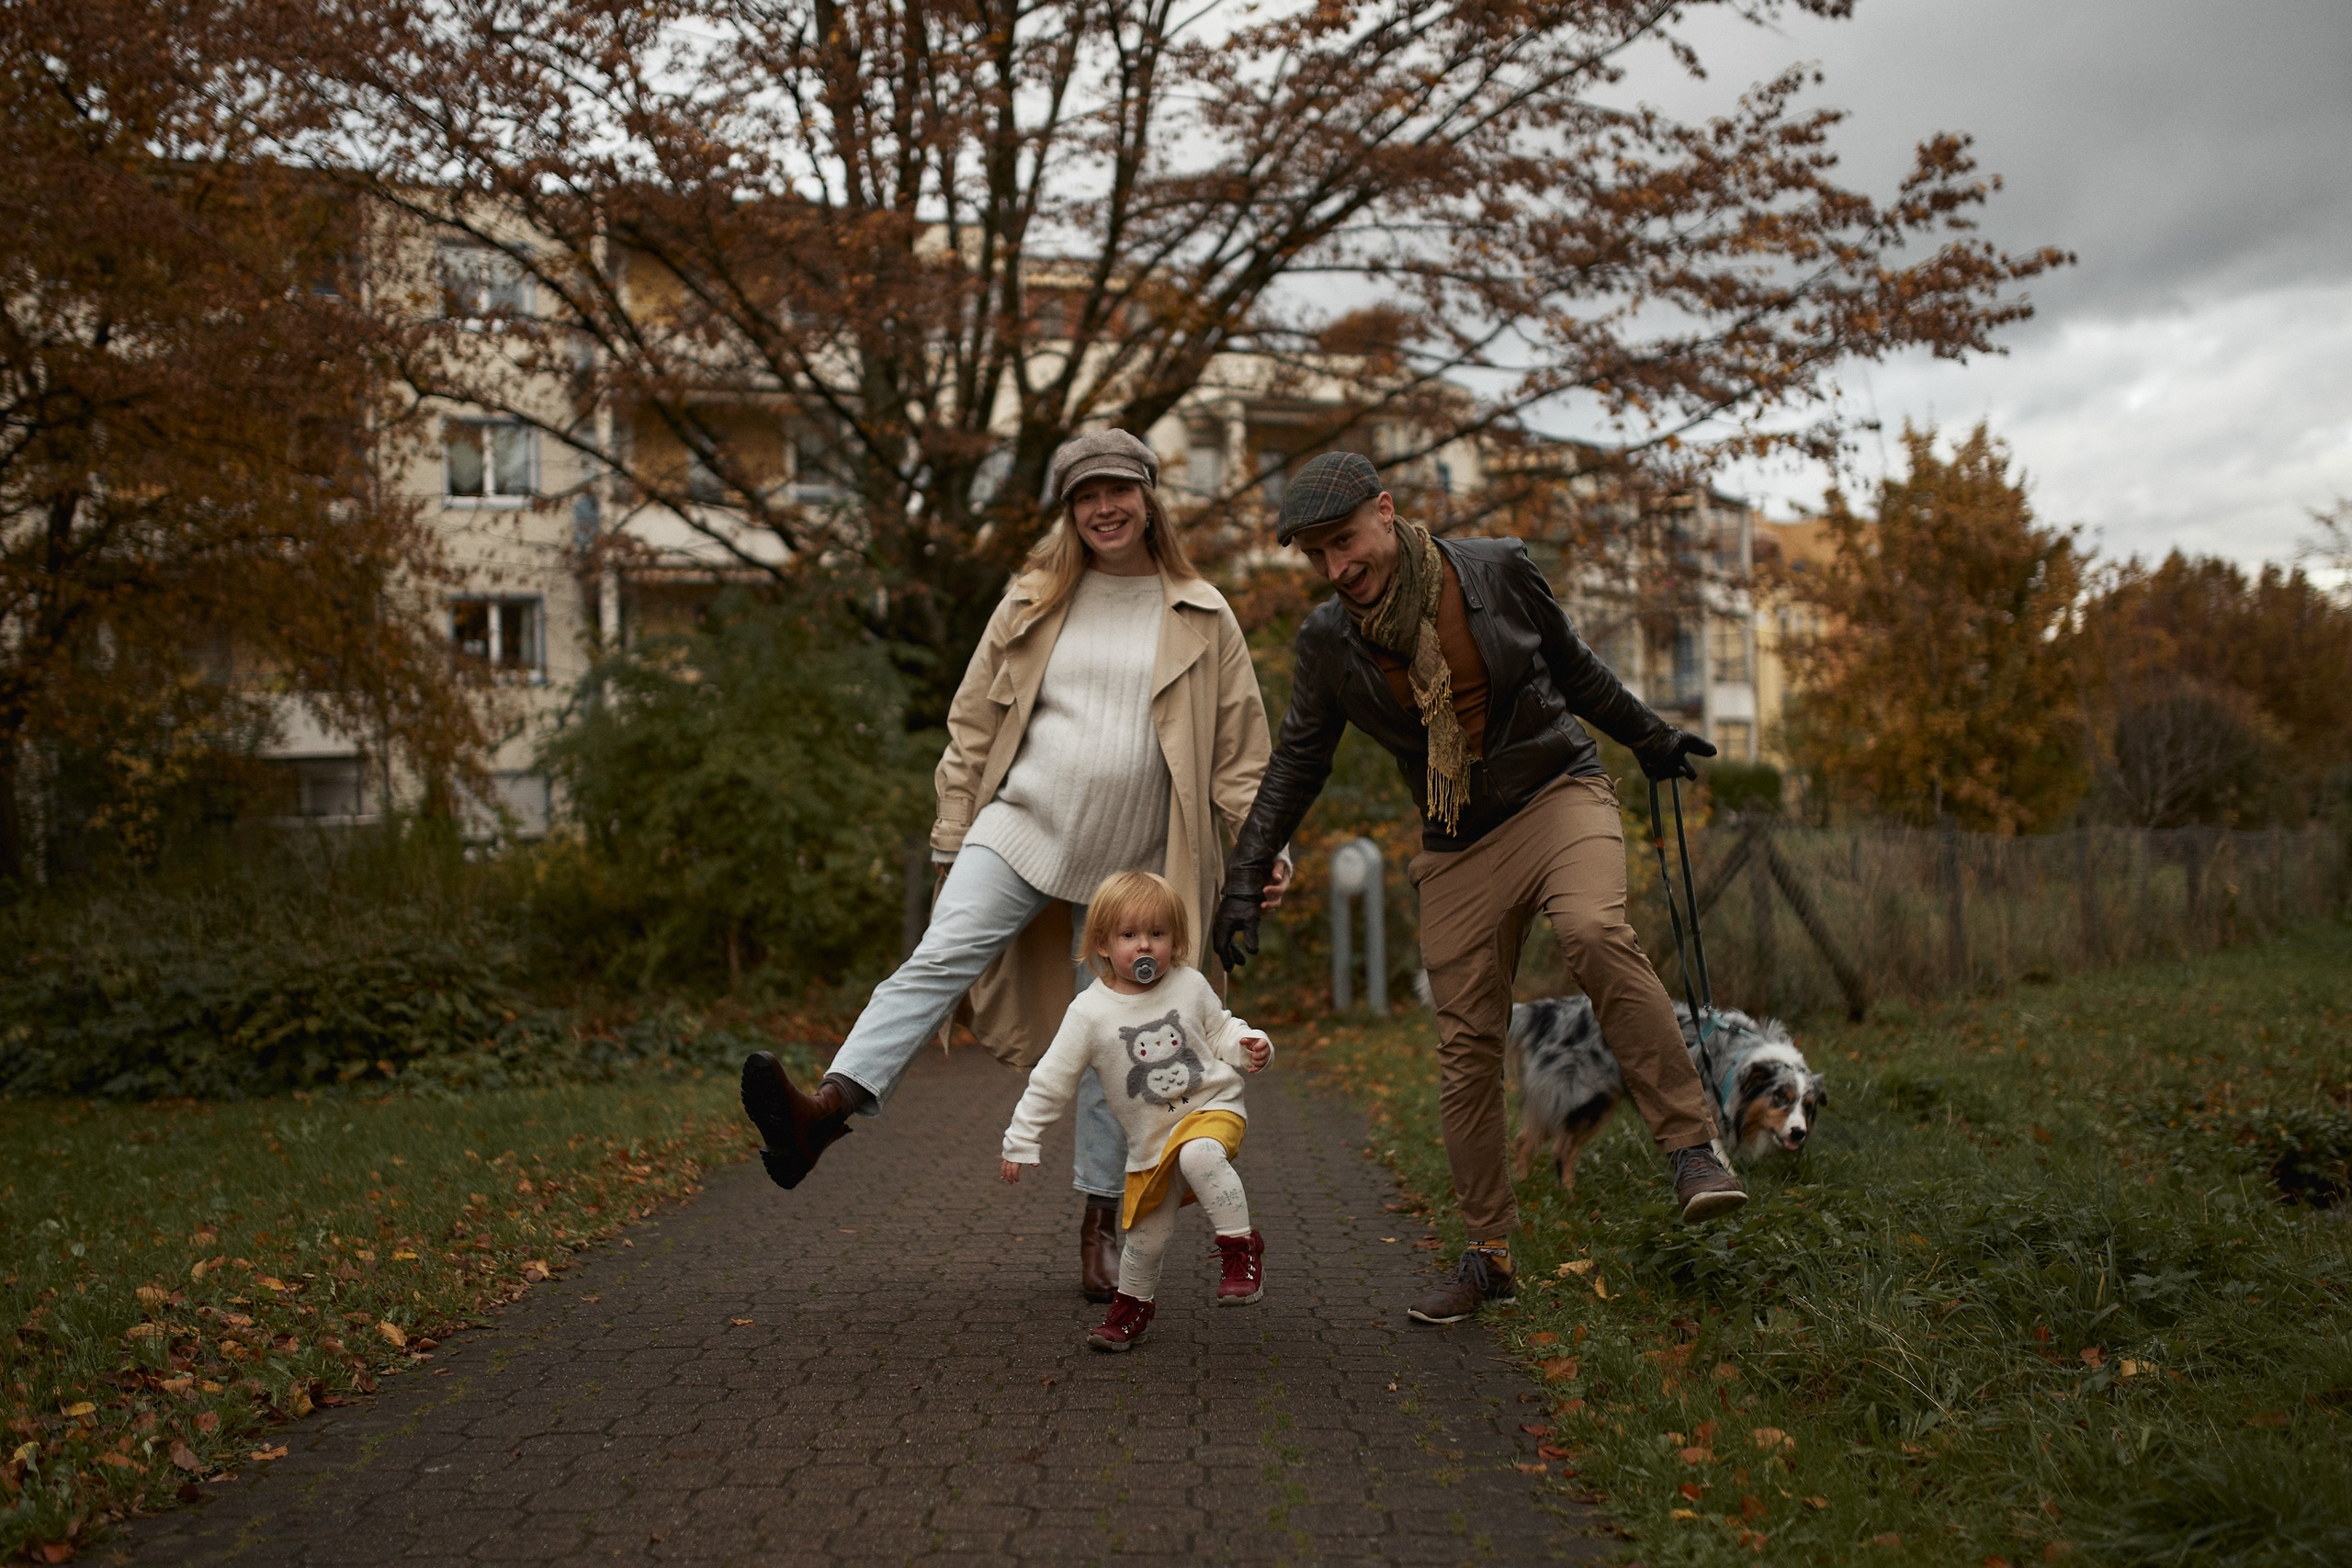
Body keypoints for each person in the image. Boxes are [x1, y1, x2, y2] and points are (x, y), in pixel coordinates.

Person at [740, 429, 1291, 1302]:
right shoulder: (1031, 600)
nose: (1104, 507)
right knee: (937, 954)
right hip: (1021, 825)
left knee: (1122, 1042)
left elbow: (1241, 755)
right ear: (1069, 512)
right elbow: (972, 722)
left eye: (1119, 490)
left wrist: (1267, 849)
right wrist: (954, 832)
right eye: (1085, 495)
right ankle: (826, 1111)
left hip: (1136, 865)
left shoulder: (1200, 610)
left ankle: (1100, 1226)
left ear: (1148, 498)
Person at [1208, 452, 1746, 1328]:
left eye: (1344, 542)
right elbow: (1299, 760)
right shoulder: (1328, 641)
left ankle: (1691, 1148)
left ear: (1387, 512)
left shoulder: (1494, 568)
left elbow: (1572, 666)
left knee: (1593, 933)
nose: (1336, 569)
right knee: (1465, 1046)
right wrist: (1243, 879)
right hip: (1456, 838)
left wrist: (1648, 737)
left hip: (1556, 791)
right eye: (1315, 555)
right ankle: (1489, 1254)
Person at [1000, 871, 1273, 1351]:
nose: (1145, 947)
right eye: (1130, 936)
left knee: (1198, 1155)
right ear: (1103, 944)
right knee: (1144, 1239)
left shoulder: (1189, 984)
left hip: (1212, 1107)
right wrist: (1022, 1138)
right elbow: (1052, 1079)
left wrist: (1249, 1044)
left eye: (1158, 935)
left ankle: (1240, 1248)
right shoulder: (1089, 1013)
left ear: (1175, 940)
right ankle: (1131, 1309)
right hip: (1151, 1140)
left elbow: (1220, 1031)